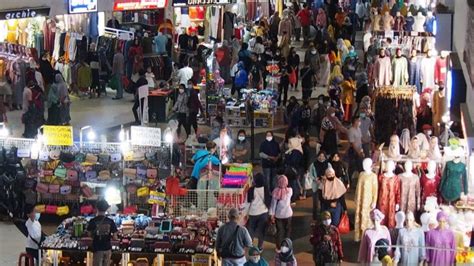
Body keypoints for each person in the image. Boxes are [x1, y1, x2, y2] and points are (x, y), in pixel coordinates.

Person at [244, 173, 271, 251]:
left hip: (253, 213)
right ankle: (260, 246)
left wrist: (245, 213)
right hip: (263, 212)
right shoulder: (266, 189)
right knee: (261, 231)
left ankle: (250, 245)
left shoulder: (251, 190)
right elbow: (269, 200)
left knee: (251, 229)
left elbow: (247, 203)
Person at [87, 200, 118, 266]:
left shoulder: (93, 221)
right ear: (107, 208)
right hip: (107, 248)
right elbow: (115, 237)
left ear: (96, 208)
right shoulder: (110, 221)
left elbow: (89, 234)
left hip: (97, 248)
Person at [270, 175, 293, 251]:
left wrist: (271, 215)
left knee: (279, 231)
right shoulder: (289, 191)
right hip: (288, 214)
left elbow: (273, 205)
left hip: (278, 215)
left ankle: (278, 247)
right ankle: (287, 245)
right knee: (288, 230)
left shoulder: (275, 192)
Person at [308, 150, 330, 219]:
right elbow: (310, 174)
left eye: (323, 156)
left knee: (323, 202)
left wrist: (326, 177)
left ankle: (323, 217)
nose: (321, 157)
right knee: (315, 203)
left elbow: (331, 173)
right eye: (320, 156)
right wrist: (315, 179)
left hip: (325, 185)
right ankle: (314, 218)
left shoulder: (328, 164)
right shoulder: (313, 164)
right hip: (316, 185)